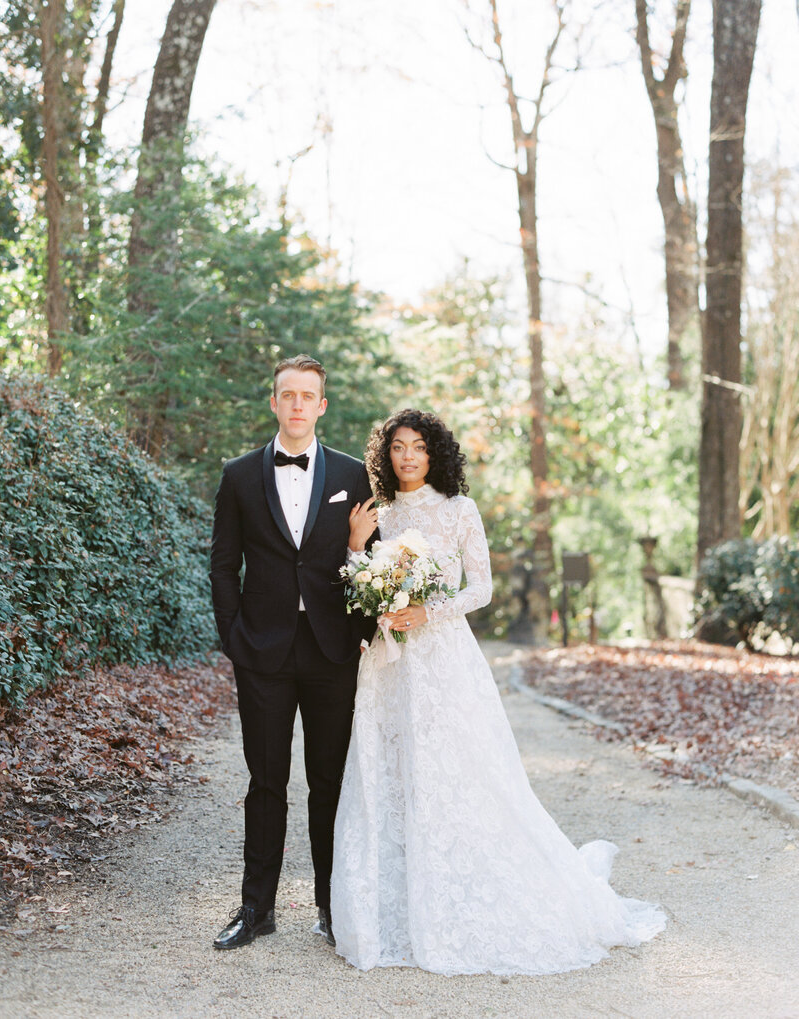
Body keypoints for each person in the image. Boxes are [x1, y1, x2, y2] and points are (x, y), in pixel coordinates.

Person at [330, 409, 666, 976]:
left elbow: (480, 587)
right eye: (397, 448)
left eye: (418, 446)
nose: (407, 456)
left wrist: (426, 610)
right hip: (389, 664)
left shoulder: (459, 509)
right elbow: (357, 585)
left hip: (443, 659)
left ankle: (463, 898)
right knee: (390, 770)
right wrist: (357, 548)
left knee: (458, 773)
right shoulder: (378, 514)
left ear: (435, 453)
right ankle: (395, 908)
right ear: (385, 456)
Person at [209, 354, 378, 950]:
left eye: (309, 395)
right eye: (289, 394)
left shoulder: (356, 476)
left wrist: (362, 629)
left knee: (328, 781)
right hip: (262, 652)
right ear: (274, 402)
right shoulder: (237, 475)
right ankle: (256, 910)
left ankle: (333, 910)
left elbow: (373, 563)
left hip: (332, 652)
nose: (299, 404)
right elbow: (224, 564)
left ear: (322, 405)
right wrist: (233, 634)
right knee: (265, 782)